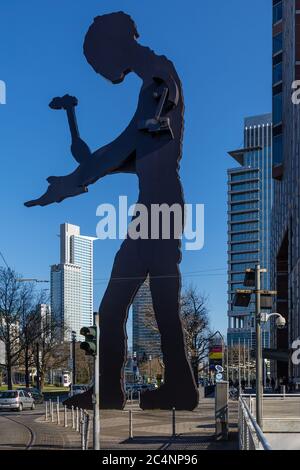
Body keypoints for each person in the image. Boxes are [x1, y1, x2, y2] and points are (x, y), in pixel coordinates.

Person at [25, 12, 198, 411]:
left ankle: (171, 388)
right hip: (152, 208)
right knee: (120, 306)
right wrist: (83, 167)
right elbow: (129, 154)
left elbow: (125, 145)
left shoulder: (158, 76)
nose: (101, 72)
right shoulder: (154, 81)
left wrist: (73, 182)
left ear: (113, 46)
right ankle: (117, 391)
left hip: (160, 208)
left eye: (96, 61)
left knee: (151, 303)